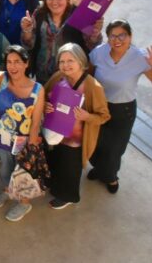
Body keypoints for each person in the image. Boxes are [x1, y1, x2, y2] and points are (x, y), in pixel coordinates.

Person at [88, 20, 152, 194]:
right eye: (112, 36)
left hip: (123, 110)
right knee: (96, 144)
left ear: (130, 36)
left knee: (114, 149)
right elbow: (89, 73)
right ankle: (99, 169)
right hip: (99, 107)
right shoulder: (99, 52)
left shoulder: (140, 57)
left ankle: (111, 176)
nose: (117, 40)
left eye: (122, 35)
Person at [0, 43, 45, 222]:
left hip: (24, 141)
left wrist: (32, 146)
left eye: (17, 61)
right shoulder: (2, 79)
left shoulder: (38, 89)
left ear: (26, 63)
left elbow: (36, 122)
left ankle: (24, 202)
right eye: (9, 62)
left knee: (24, 171)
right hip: (2, 136)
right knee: (5, 166)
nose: (13, 66)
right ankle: (8, 189)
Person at [43, 43, 110, 209]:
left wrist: (87, 116)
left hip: (75, 140)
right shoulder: (58, 77)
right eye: (62, 61)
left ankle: (68, 196)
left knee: (70, 169)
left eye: (70, 61)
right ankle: (54, 186)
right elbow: (43, 95)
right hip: (55, 133)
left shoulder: (93, 86)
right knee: (55, 162)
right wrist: (45, 105)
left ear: (81, 61)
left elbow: (104, 116)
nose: (65, 65)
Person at [21, 0, 103, 83]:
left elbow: (92, 45)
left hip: (70, 73)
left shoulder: (78, 15)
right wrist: (27, 30)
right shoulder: (39, 14)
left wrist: (95, 32)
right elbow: (28, 45)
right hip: (42, 71)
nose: (54, 2)